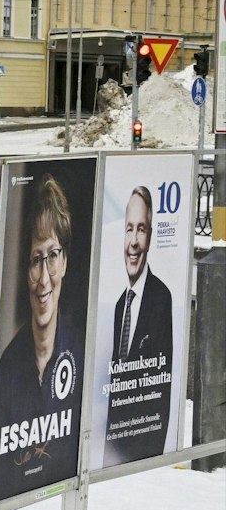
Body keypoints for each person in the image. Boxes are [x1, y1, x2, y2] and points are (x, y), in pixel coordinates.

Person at [0, 176, 83, 497]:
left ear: (66, 261)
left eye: (53, 256)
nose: (44, 278)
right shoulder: (8, 366)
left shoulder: (80, 352)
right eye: (35, 260)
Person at [104, 187, 175, 462]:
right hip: (116, 452)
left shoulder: (161, 298)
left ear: (151, 236)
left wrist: (150, 459)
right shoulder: (121, 304)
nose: (133, 241)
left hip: (143, 453)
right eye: (129, 229)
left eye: (141, 229)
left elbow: (162, 387)